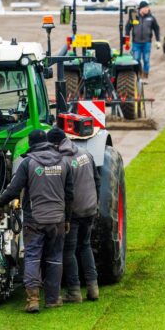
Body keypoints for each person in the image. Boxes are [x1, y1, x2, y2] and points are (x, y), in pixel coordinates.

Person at [0, 129, 73, 313]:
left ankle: (33, 300)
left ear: (30, 144)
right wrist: (67, 219)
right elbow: (70, 194)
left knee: (32, 257)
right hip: (57, 219)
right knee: (55, 258)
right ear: (47, 142)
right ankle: (53, 299)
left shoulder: (28, 163)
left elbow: (13, 190)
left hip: (35, 220)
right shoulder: (63, 162)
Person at [48, 127, 101, 303]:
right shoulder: (85, 153)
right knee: (85, 245)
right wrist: (96, 203)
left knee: (68, 251)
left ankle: (74, 292)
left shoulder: (62, 161)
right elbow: (97, 180)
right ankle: (93, 289)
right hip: (90, 208)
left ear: (55, 144)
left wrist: (66, 217)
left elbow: (65, 193)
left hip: (74, 212)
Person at [124, 1, 160, 79]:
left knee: (146, 60)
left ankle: (145, 74)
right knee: (136, 59)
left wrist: (158, 40)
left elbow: (156, 29)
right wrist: (127, 39)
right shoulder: (134, 16)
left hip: (147, 43)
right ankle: (137, 74)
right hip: (136, 43)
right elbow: (127, 27)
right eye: (146, 8)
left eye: (148, 7)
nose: (148, 9)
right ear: (141, 8)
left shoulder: (151, 18)